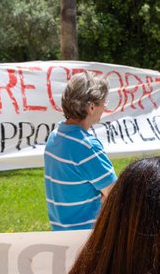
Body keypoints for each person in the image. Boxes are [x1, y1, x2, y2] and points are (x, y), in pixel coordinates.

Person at [43, 72, 116, 231]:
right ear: (91, 107)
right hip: (87, 237)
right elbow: (116, 196)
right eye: (104, 102)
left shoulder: (55, 136)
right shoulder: (87, 147)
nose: (105, 108)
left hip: (60, 230)